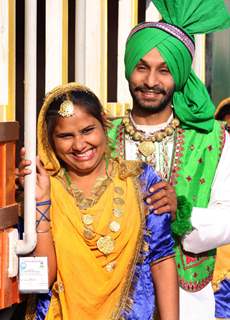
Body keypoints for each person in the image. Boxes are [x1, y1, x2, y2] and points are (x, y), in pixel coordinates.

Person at [107, 0, 230, 319]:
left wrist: (183, 210)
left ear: (179, 73)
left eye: (164, 70)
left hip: (186, 301)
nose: (150, 81)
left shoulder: (212, 140)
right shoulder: (99, 138)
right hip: (108, 294)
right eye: (142, 67)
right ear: (128, 68)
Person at [18, 83, 178, 319]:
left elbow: (162, 259)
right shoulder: (44, 189)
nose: (79, 145)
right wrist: (41, 203)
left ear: (104, 123)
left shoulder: (140, 181)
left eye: (87, 130)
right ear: (49, 140)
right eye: (65, 136)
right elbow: (40, 281)